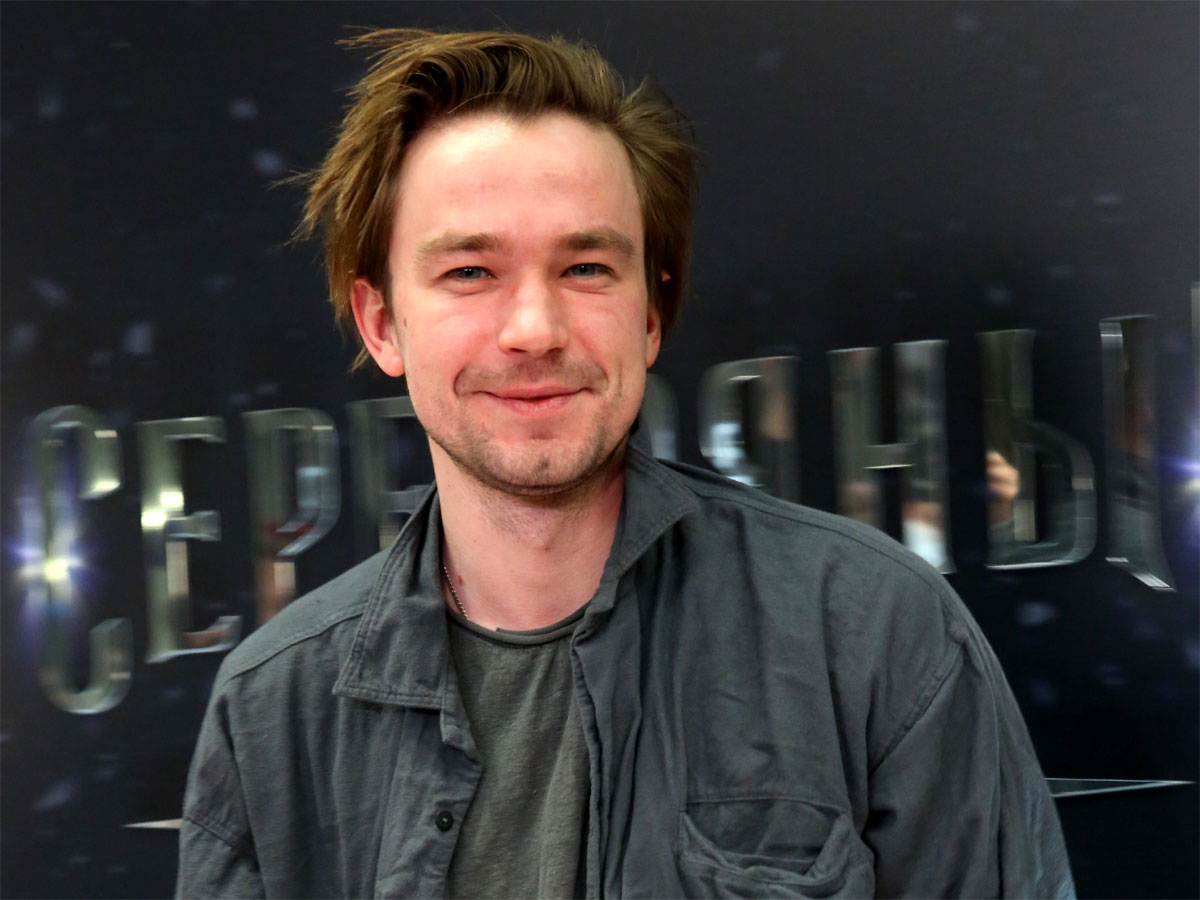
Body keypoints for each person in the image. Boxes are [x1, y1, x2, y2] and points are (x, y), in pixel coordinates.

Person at [177, 28, 1074, 899]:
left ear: (650, 314)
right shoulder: (271, 714)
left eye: (586, 268)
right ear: (382, 325)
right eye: (470, 273)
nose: (534, 329)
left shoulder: (876, 634)